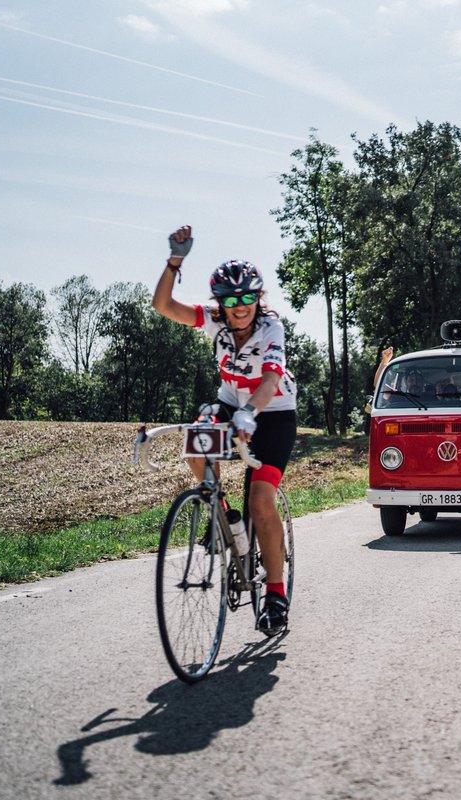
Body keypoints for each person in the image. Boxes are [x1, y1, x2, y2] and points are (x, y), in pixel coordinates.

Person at [152, 225, 298, 637]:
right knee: (195, 446)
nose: (240, 307)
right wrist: (174, 260)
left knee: (261, 498)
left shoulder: (271, 329)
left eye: (249, 297)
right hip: (231, 403)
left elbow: (270, 381)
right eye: (232, 300)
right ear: (221, 302)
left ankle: (275, 594)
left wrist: (251, 414)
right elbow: (163, 305)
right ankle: (221, 518)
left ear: (258, 298)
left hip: (274, 412)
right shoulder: (214, 320)